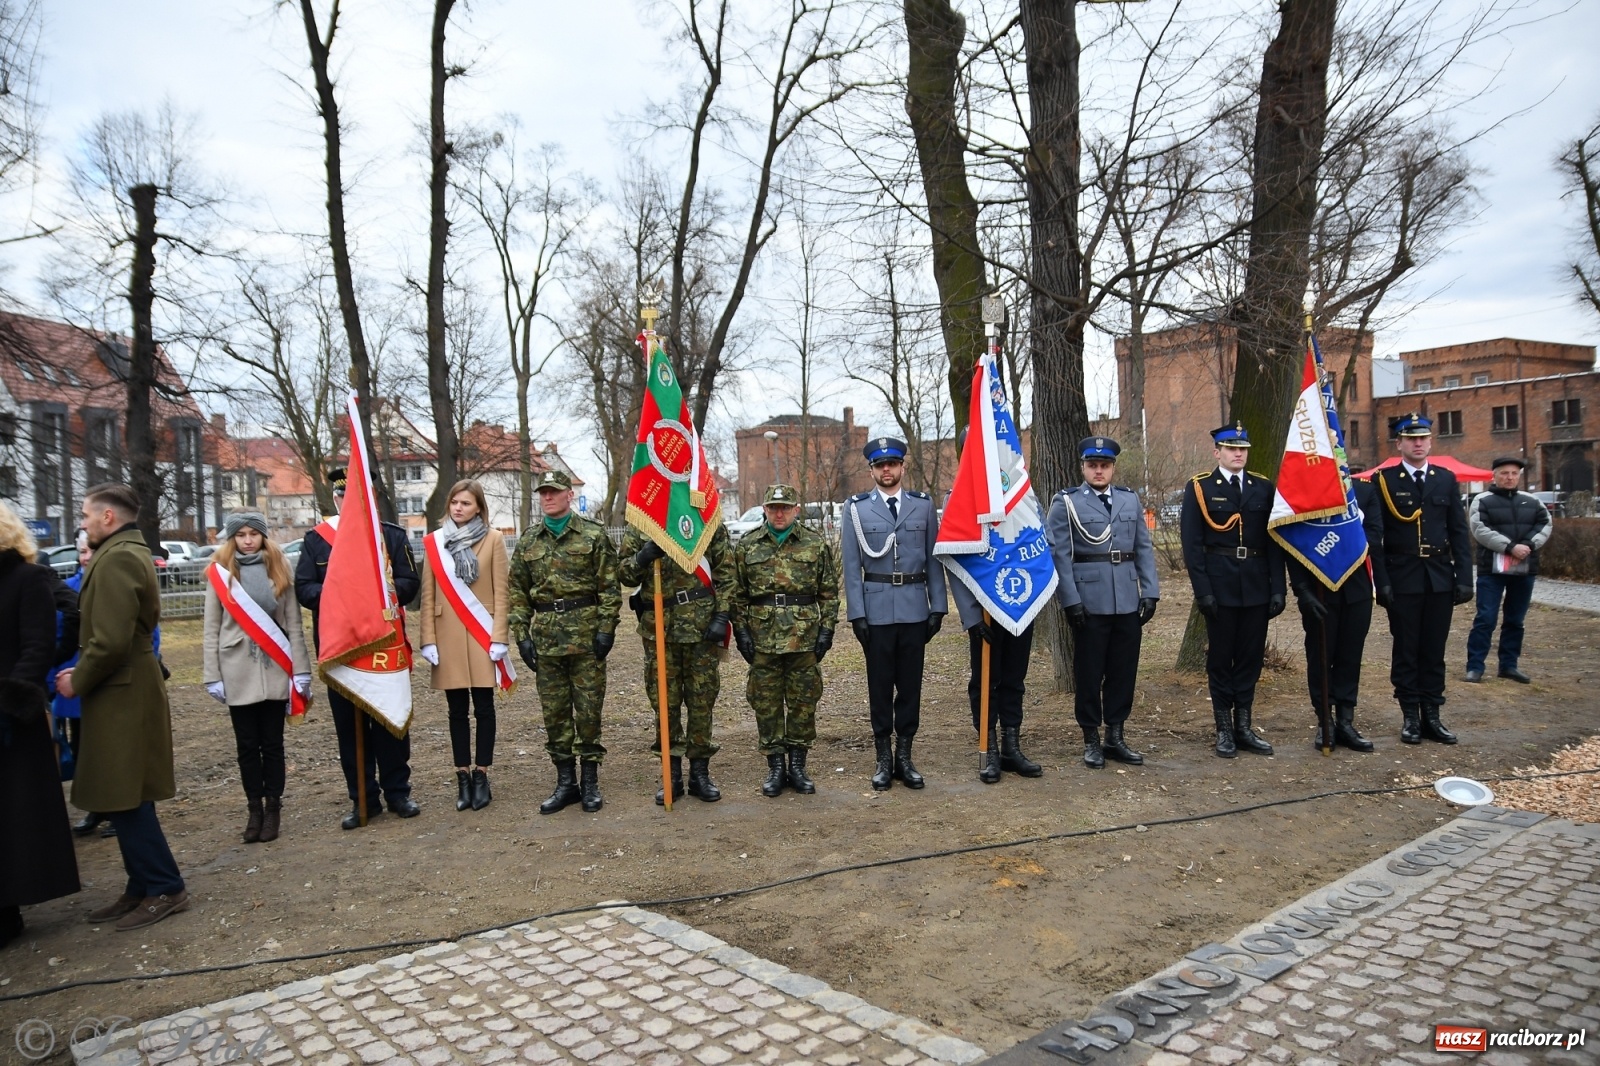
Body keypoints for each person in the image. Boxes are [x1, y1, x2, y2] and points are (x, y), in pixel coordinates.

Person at [54, 483, 187, 932]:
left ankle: (165, 886)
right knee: (122, 792)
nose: (83, 523)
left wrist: (78, 678)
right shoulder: (123, 553)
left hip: (122, 688)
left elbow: (109, 641)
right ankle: (143, 884)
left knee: (126, 795)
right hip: (123, 688)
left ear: (108, 517)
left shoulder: (117, 558)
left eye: (87, 515)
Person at [296, 466, 423, 829]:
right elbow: (305, 588)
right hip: (342, 651)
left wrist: (376, 593)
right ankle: (363, 799)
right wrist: (344, 596)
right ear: (336, 500)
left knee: (392, 724)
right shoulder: (317, 540)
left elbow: (409, 584)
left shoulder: (391, 538)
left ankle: (398, 793)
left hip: (385, 647)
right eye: (342, 497)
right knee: (350, 730)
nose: (347, 502)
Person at [508, 470, 621, 815]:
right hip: (546, 641)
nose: (547, 498)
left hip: (586, 639)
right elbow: (517, 592)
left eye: (554, 492)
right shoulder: (528, 540)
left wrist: (606, 629)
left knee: (588, 711)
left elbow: (609, 587)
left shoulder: (593, 535)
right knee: (555, 714)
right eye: (543, 492)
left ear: (569, 495)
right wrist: (522, 636)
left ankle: (589, 782)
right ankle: (565, 782)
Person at [1047, 436, 1160, 769]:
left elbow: (1143, 548)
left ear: (1112, 468)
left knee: (1123, 671)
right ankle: (1091, 739)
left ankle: (1116, 735)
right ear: (1083, 467)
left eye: (1105, 465)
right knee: (1089, 672)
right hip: (1089, 600)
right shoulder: (1066, 502)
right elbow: (1061, 556)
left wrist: (1150, 592)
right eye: (1092, 465)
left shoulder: (1129, 500)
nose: (1099, 471)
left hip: (1126, 598)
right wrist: (1070, 602)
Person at [840, 437, 946, 790]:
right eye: (880, 465)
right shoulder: (856, 509)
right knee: (880, 687)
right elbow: (852, 566)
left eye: (893, 464)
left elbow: (933, 559)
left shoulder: (923, 505)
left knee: (911, 687)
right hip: (877, 610)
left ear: (902, 467)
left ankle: (905, 755)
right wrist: (857, 615)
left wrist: (938, 607)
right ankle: (883, 758)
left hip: (915, 608)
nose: (887, 470)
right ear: (871, 470)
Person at [203, 512, 312, 843]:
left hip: (275, 667)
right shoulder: (219, 573)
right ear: (232, 538)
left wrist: (302, 670)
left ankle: (273, 808)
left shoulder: (280, 568)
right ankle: (254, 809)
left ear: (264, 536)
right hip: (237, 667)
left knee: (273, 744)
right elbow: (210, 628)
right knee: (247, 746)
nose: (247, 540)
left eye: (254, 534)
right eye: (241, 535)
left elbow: (293, 623)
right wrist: (212, 674)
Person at [1, 503, 80, 949]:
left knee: (16, 816)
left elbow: (37, 643)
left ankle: (11, 906)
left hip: (12, 714)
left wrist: (16, 692)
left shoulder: (28, 578)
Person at [1366, 413, 1473, 744]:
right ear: (1399, 443)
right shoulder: (1384, 480)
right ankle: (1410, 716)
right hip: (1403, 577)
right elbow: (1376, 537)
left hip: (1440, 577)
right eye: (1410, 438)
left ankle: (1433, 715)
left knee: (1434, 649)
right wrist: (1380, 581)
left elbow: (1459, 531)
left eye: (1423, 438)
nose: (1418, 443)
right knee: (1407, 648)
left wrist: (1464, 578)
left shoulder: (1445, 479)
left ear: (1430, 442)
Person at [1180, 422, 1286, 758]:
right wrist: (1203, 591)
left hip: (1256, 585)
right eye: (1231, 448)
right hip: (1220, 586)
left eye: (1242, 448)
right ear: (1217, 452)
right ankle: (1224, 729)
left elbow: (1274, 542)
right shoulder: (1200, 488)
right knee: (1221, 660)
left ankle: (1244, 726)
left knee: (1250, 660)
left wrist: (1278, 588)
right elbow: (1192, 545)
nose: (1238, 453)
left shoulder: (1263, 488)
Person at [732, 484, 841, 797]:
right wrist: (740, 631)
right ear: (765, 509)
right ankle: (775, 767)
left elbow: (829, 593)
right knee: (765, 703)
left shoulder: (814, 543)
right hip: (762, 637)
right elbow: (737, 594)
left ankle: (798, 765)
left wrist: (826, 630)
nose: (779, 513)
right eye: (773, 507)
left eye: (785, 507)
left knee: (803, 702)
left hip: (803, 638)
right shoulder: (748, 544)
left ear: (796, 509)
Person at [618, 521, 735, 804]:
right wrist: (643, 556)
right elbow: (624, 574)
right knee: (664, 703)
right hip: (659, 629)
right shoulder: (642, 523)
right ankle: (671, 774)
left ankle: (699, 773)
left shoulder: (705, 521)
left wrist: (722, 615)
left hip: (701, 627)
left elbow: (727, 573)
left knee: (701, 701)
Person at [419, 479, 511, 812]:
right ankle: (462, 777)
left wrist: (500, 636)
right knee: (456, 710)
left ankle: (482, 774)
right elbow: (427, 595)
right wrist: (427, 639)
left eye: (466, 503)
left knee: (484, 708)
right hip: (446, 636)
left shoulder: (494, 539)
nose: (459, 508)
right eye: (455, 502)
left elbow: (502, 592)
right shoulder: (433, 543)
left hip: (482, 632)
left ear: (479, 508)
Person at [1288, 478, 1378, 752]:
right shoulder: (1304, 490)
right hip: (1320, 589)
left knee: (1351, 656)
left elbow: (1375, 535)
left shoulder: (1363, 491)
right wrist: (1302, 590)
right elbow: (1293, 543)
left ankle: (1346, 721)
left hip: (1357, 587)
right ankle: (1324, 720)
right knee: (1320, 655)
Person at [1464, 456, 1550, 685]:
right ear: (1494, 475)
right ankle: (1475, 667)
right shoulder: (1482, 500)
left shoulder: (1532, 501)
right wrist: (1510, 547)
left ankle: (1509, 665)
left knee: (1515, 620)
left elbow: (1545, 525)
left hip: (1524, 569)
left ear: (1519, 476)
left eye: (1514, 473)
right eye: (1504, 473)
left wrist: (1529, 546)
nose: (1509, 477)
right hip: (1491, 571)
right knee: (1485, 618)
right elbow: (1480, 529)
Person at [950, 579, 1037, 782]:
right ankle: (988, 750)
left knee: (1015, 678)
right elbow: (956, 560)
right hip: (984, 608)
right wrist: (971, 616)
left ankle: (1011, 748)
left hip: (1021, 603)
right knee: (985, 682)